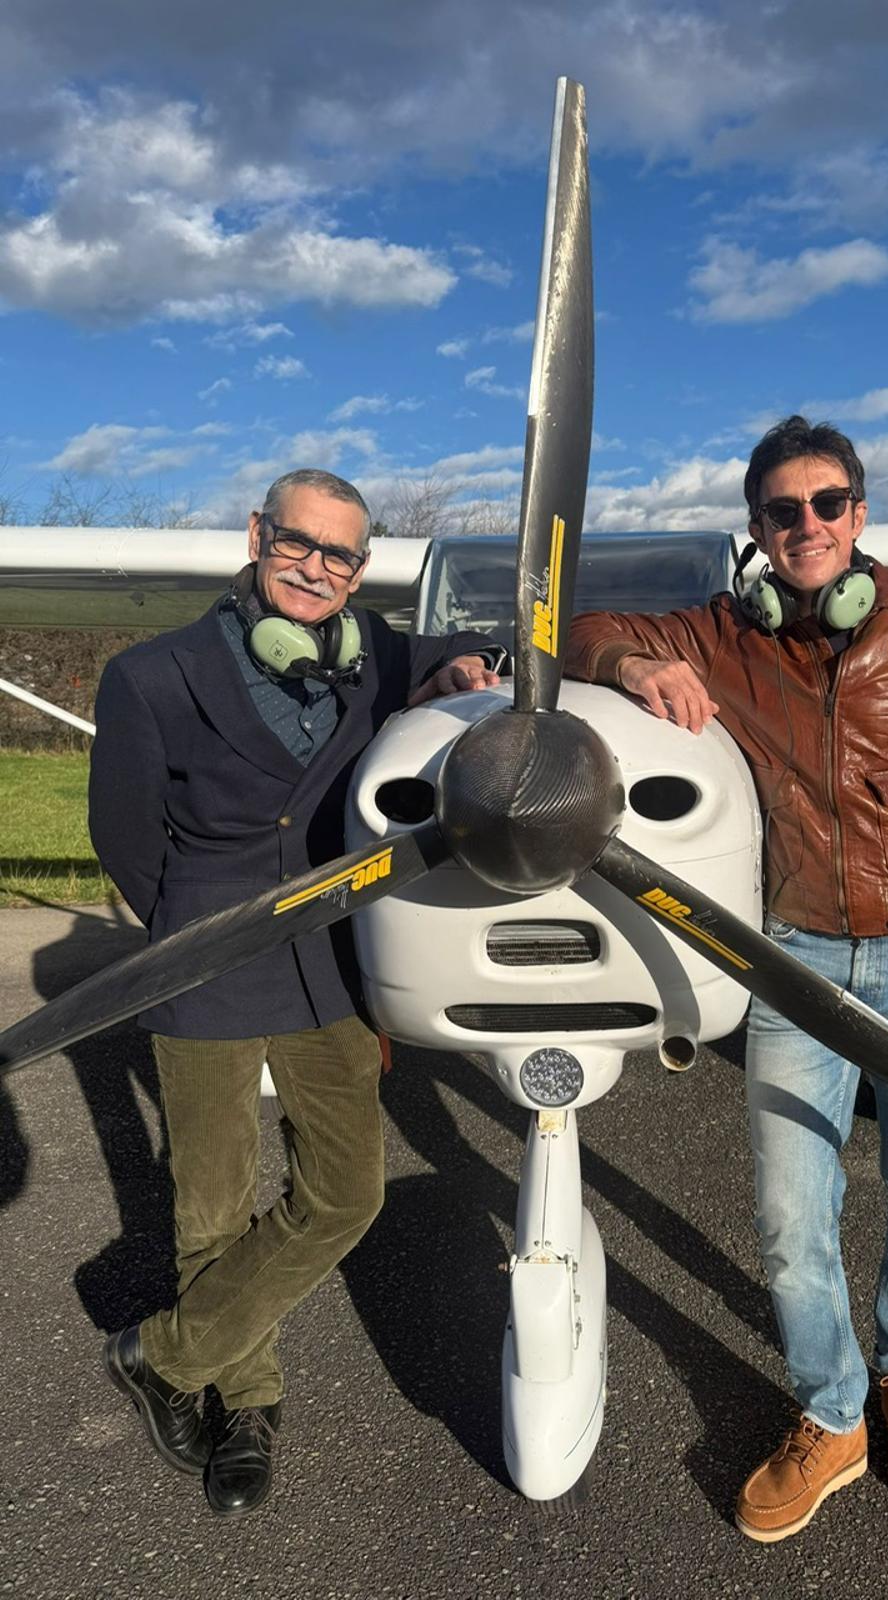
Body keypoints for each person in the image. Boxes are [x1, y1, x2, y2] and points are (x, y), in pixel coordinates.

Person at [565, 416, 888, 1541]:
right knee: (788, 1209)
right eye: (783, 510)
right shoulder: (725, 632)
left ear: (859, 516)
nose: (807, 525)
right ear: (759, 530)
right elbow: (584, 629)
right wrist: (637, 661)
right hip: (791, 957)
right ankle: (833, 1410)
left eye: (828, 505)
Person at [89, 468, 503, 1518]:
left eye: (341, 555)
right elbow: (126, 842)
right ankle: (249, 1408)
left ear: (360, 571)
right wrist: (195, 926)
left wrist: (459, 660)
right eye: (299, 542)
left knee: (347, 1192)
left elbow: (471, 652)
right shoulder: (152, 675)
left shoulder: (373, 659)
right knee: (213, 1208)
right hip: (208, 956)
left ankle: (164, 1357)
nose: (317, 568)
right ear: (257, 533)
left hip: (330, 959)